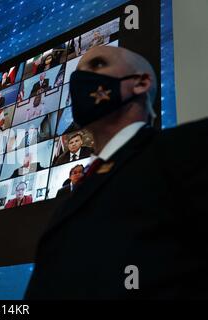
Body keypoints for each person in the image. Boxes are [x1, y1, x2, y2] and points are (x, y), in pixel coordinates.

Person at [25, 46, 208, 299]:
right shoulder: (67, 204)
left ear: (141, 82)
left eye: (98, 65)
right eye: (77, 73)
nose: (80, 80)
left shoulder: (189, 148)